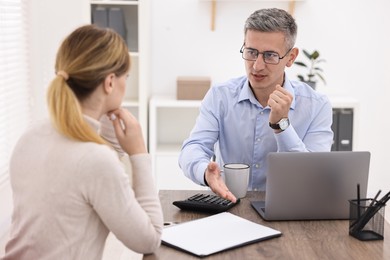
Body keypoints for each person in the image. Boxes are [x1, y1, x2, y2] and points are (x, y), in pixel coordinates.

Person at [2, 25, 163, 259]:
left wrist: (105, 118)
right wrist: (139, 153)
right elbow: (149, 239)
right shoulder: (95, 160)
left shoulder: (30, 135)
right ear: (110, 83)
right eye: (125, 77)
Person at [178, 8, 333, 203]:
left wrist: (282, 125)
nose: (257, 66)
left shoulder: (317, 106)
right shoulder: (220, 96)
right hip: (230, 204)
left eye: (270, 55)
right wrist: (205, 173)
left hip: (290, 209)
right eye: (251, 52)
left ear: (291, 57)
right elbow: (193, 148)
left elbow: (311, 176)